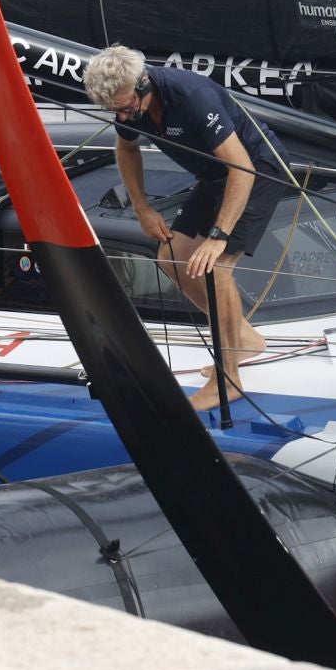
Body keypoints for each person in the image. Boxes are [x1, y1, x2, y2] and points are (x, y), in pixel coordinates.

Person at [83, 45, 293, 410]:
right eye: (113, 109)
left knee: (217, 268)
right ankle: (242, 337)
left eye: (126, 105)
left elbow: (242, 169)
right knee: (171, 255)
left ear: (144, 83)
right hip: (213, 176)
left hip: (257, 169)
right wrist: (143, 207)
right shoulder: (129, 105)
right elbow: (126, 148)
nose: (122, 114)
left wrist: (218, 236)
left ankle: (228, 380)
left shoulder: (193, 97)